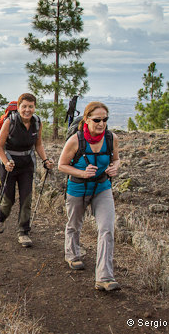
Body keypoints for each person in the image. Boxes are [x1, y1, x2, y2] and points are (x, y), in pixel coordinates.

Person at [57, 101, 121, 291]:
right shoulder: (75, 141)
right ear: (86, 119)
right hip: (77, 188)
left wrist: (115, 167)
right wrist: (82, 173)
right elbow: (62, 165)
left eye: (105, 120)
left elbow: (116, 159)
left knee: (107, 229)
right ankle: (72, 254)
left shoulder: (111, 139)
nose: (101, 124)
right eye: (97, 120)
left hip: (102, 187)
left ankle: (104, 276)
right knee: (75, 224)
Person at [0, 93, 54, 247]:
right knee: (8, 200)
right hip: (9, 164)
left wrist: (45, 160)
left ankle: (23, 232)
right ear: (19, 107)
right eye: (24, 106)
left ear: (34, 107)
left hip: (27, 164)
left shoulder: (37, 122)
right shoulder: (10, 122)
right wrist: (6, 162)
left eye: (31, 106)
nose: (27, 110)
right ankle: (1, 217)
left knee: (26, 198)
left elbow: (38, 144)